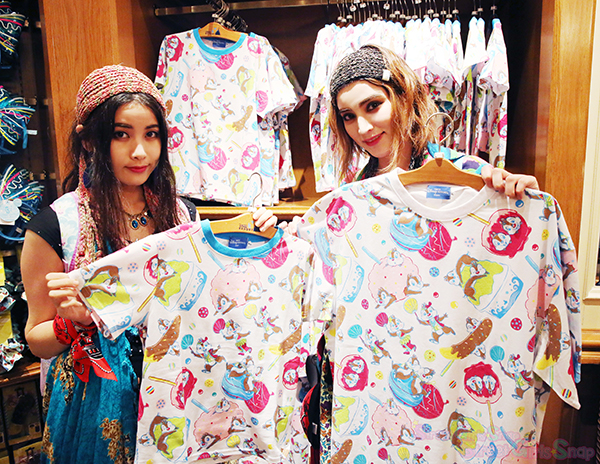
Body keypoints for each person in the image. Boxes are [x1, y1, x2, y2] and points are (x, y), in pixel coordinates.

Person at [20, 65, 276, 463]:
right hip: (94, 406)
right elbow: (36, 338)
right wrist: (75, 322)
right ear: (88, 140)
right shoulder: (58, 225)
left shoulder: (181, 214)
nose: (140, 152)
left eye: (151, 135)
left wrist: (255, 233)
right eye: (121, 134)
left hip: (178, 390)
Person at [282, 44, 539, 235]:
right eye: (348, 116)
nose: (362, 128)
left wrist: (525, 200)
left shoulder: (469, 173)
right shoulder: (356, 189)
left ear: (405, 98)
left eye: (373, 106)